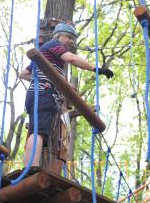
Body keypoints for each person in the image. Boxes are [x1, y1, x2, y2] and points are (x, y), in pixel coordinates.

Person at [20, 23, 114, 167]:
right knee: (39, 131)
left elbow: (24, 74)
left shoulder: (45, 53)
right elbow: (72, 58)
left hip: (34, 94)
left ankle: (28, 167)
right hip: (44, 93)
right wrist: (96, 69)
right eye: (69, 37)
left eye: (73, 39)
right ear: (58, 35)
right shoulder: (53, 45)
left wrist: (42, 78)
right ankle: (32, 167)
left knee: (36, 129)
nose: (71, 41)